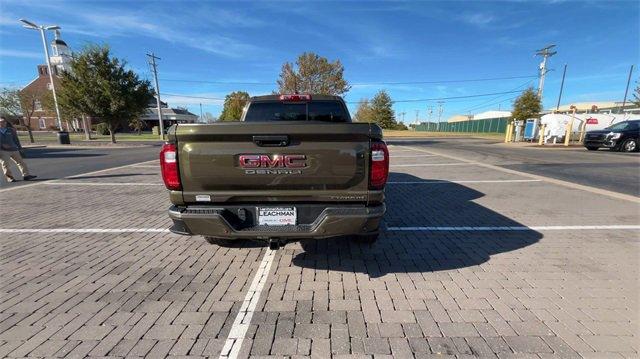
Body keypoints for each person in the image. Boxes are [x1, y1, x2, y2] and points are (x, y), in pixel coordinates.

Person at [0, 117, 36, 182]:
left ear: (6, 122)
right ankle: (10, 177)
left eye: (4, 122)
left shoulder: (11, 130)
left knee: (21, 163)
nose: (2, 123)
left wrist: (20, 148)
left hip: (14, 149)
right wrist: (2, 145)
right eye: (1, 122)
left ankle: (26, 175)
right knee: (5, 165)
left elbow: (16, 140)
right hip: (3, 151)